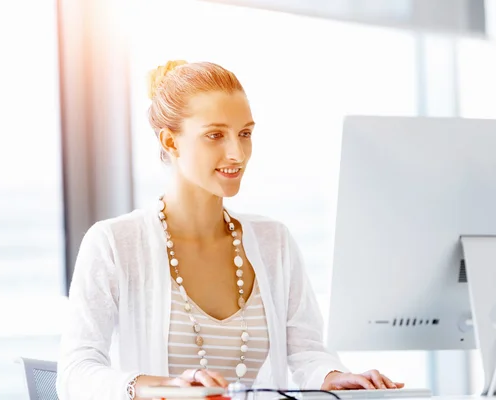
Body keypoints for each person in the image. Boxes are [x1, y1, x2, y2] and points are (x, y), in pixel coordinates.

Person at [56, 60, 404, 400]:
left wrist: (334, 377)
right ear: (171, 142)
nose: (236, 153)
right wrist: (162, 388)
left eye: (245, 134)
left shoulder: (274, 242)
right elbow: (75, 372)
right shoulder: (115, 244)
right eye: (215, 135)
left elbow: (305, 353)